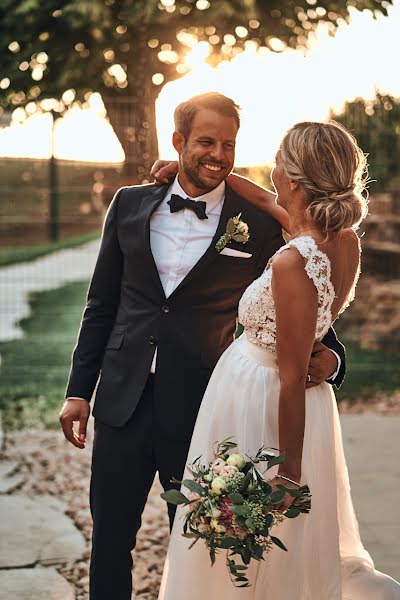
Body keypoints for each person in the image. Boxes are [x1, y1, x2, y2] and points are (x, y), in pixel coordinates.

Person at [59, 93, 345, 600]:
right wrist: (79, 391)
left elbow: (309, 291)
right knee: (109, 540)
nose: (217, 154)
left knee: (203, 545)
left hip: (202, 408)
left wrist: (333, 357)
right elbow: (101, 304)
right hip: (121, 401)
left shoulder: (259, 223)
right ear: (178, 142)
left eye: (228, 144)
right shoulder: (129, 205)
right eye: (205, 142)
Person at [155, 121, 400, 599]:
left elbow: (291, 378)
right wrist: (205, 175)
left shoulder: (294, 261)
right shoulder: (340, 239)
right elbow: (265, 201)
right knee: (272, 540)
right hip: (283, 397)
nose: (271, 171)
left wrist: (288, 473)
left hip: (263, 404)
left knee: (255, 534)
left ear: (293, 177)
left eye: (278, 160)